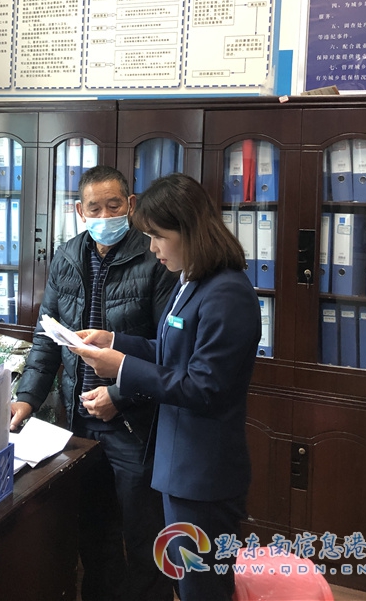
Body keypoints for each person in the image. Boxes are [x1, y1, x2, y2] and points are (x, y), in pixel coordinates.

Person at [71, 173, 262, 601]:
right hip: (177, 463)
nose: (153, 248)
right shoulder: (191, 280)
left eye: (159, 237)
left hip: (204, 474)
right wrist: (114, 341)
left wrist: (122, 367)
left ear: (189, 231)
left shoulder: (227, 293)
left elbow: (204, 387)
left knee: (202, 588)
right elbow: (171, 351)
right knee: (185, 580)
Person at [10, 165, 177, 601]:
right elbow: (46, 338)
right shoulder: (66, 256)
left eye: (114, 205)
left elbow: (167, 349)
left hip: (133, 423)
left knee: (143, 534)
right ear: (79, 211)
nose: (105, 215)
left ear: (131, 205)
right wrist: (26, 398)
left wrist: (118, 396)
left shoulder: (155, 256)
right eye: (95, 208)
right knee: (93, 530)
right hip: (78, 422)